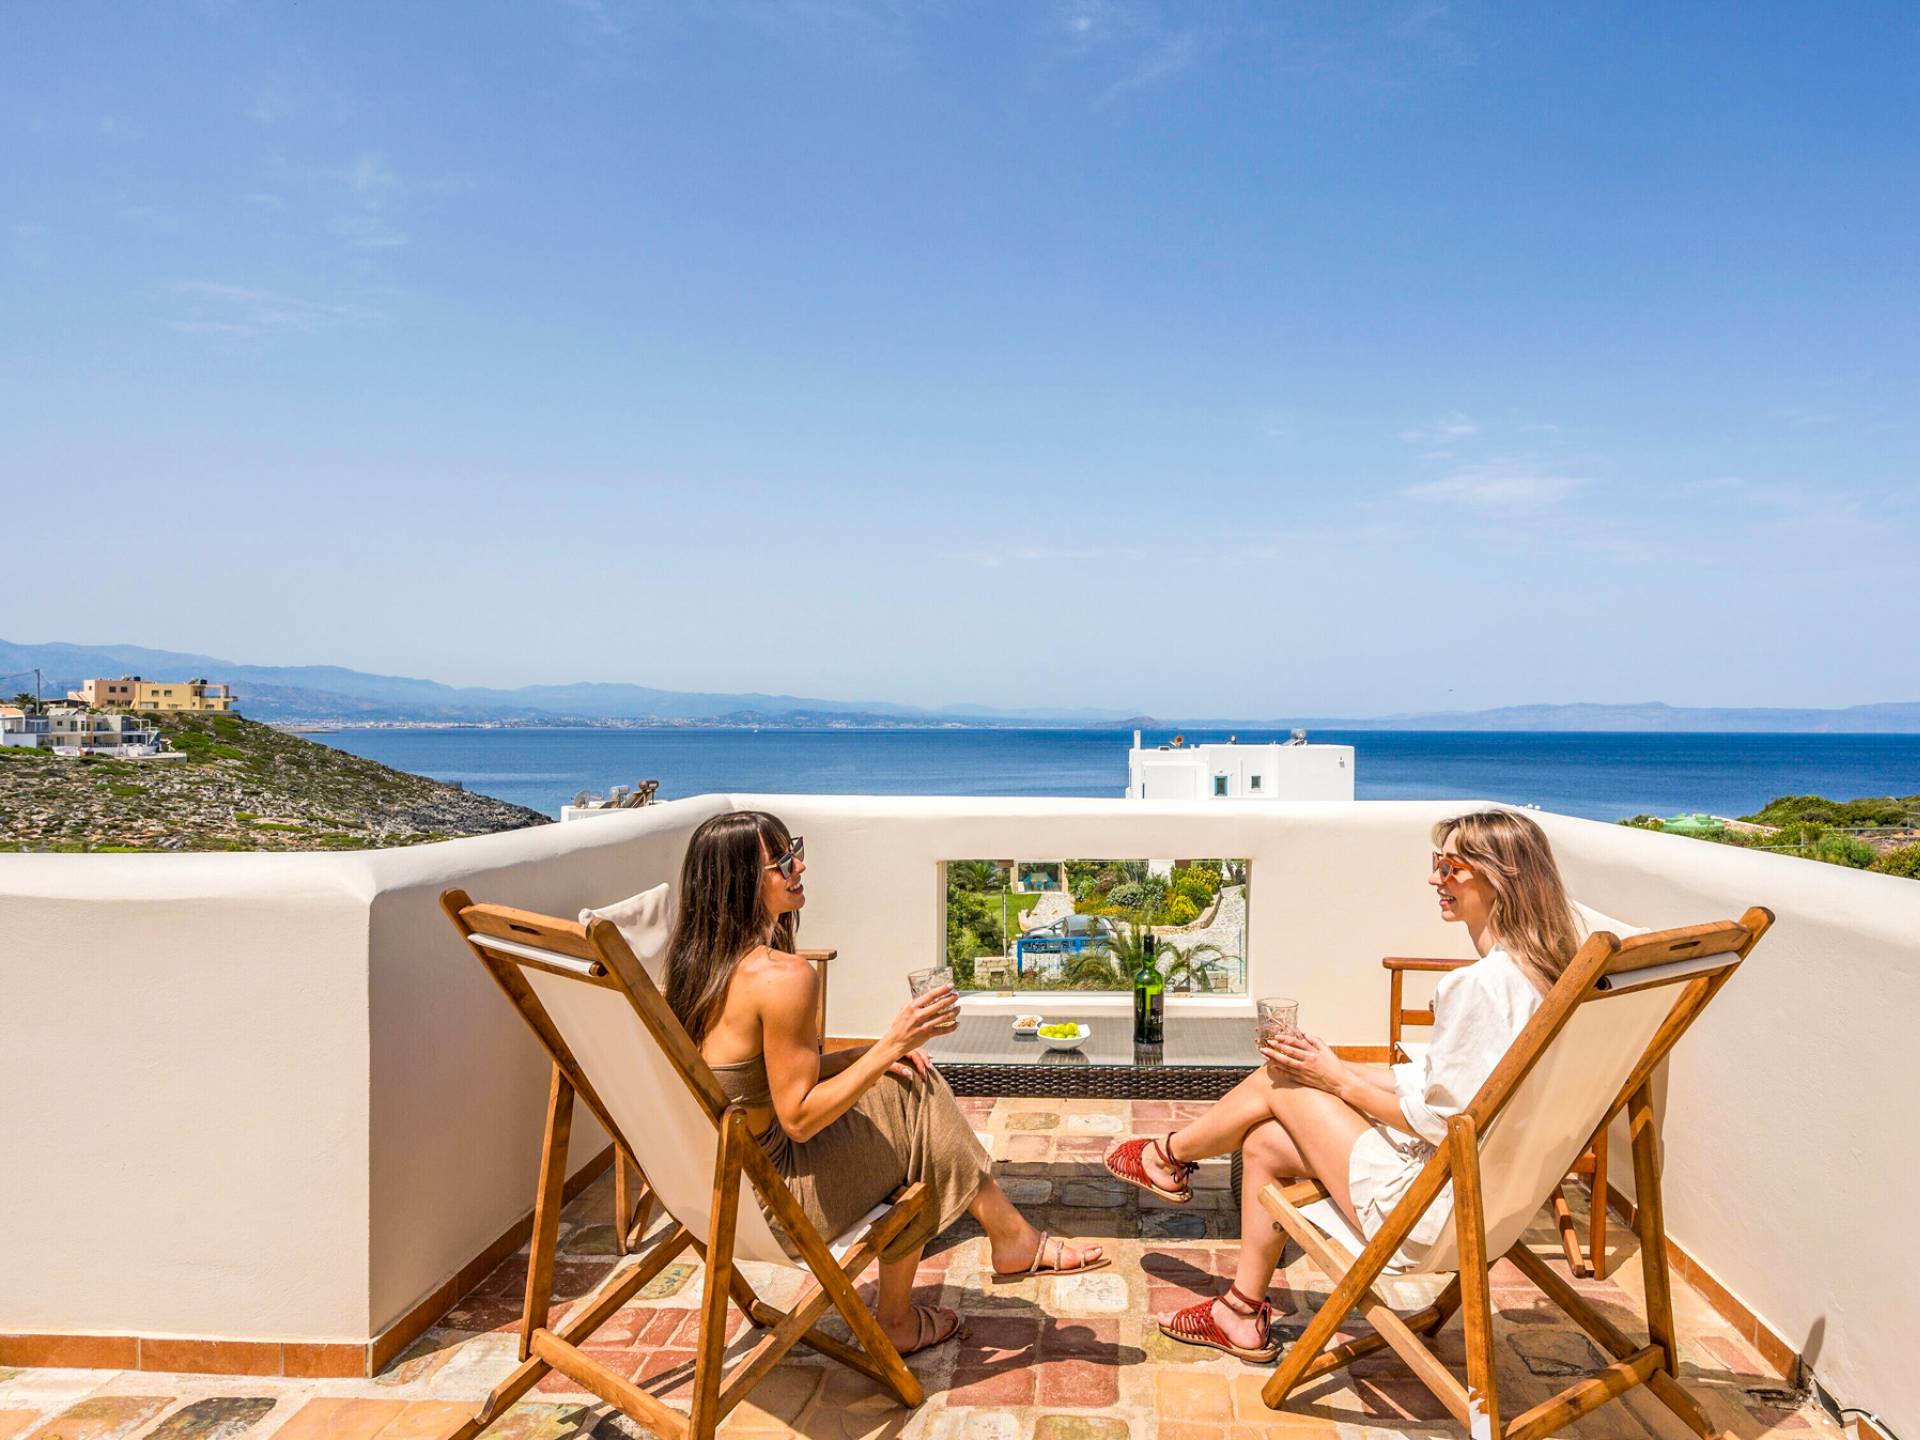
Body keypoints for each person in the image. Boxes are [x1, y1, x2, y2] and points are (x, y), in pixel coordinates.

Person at [1103, 810, 1580, 1361]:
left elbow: (1439, 1120)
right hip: (1500, 1203)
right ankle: (1239, 1313)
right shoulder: (1550, 976)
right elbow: (1450, 1087)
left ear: (1499, 877)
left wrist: (1331, 1079)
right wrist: (1337, 1068)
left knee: (1280, 1079)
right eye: (1437, 864)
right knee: (1264, 1142)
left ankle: (1169, 1155)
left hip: (1430, 1213)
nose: (1434, 879)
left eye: (1450, 868)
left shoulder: (1480, 988)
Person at [665, 810, 1106, 1359]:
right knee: (916, 1110)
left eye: (794, 851)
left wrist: (870, 1054)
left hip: (715, 1191)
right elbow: (799, 1118)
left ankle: (1009, 1235)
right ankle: (918, 1304)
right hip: (778, 1202)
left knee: (906, 1083)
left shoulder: (696, 969)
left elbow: (761, 1079)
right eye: (781, 862)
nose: (799, 867)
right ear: (739, 883)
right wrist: (893, 1043)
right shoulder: (782, 978)